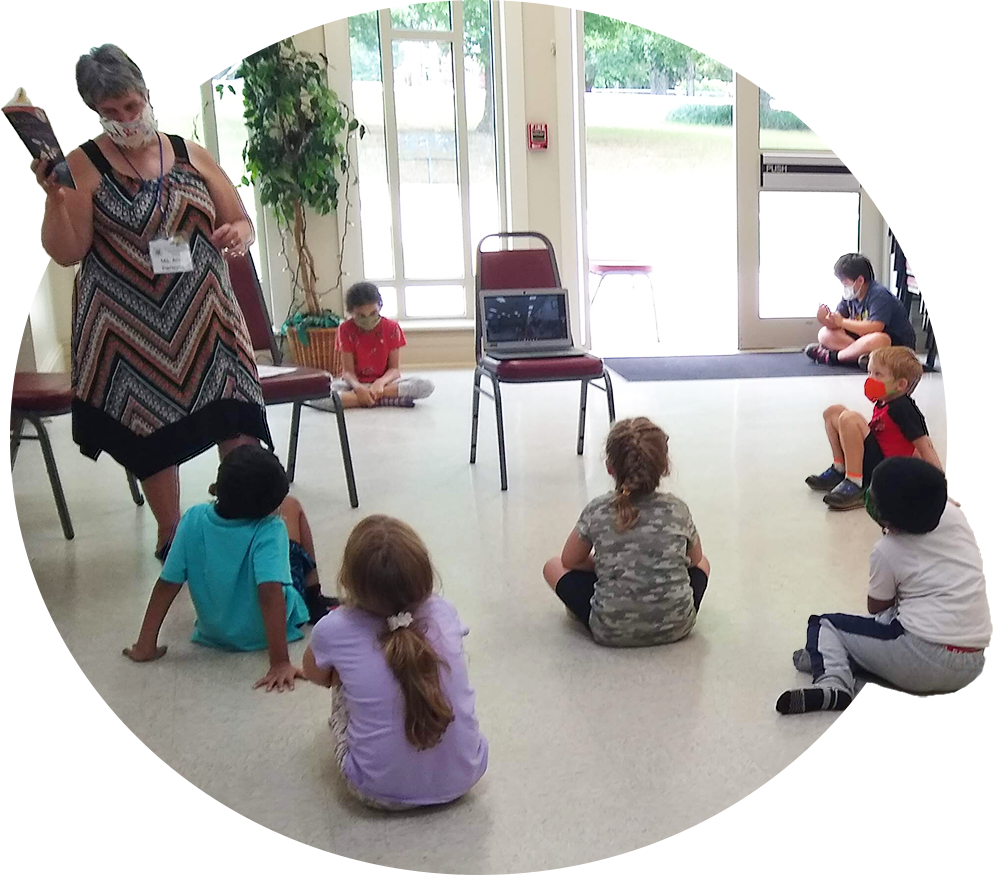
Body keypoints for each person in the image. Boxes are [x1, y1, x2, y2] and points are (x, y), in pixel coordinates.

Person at [32, 44, 270, 561]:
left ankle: (245, 516)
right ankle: (173, 536)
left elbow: (240, 220)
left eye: (131, 105)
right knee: (153, 431)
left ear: (146, 94)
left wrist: (239, 232)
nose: (125, 119)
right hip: (130, 330)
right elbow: (67, 251)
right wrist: (54, 199)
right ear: (96, 111)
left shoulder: (188, 151)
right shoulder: (83, 165)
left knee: (236, 414)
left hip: (210, 319)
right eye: (110, 112)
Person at [777, 457, 993, 716]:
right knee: (882, 626)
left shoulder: (888, 550)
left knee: (825, 625)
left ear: (887, 518)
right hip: (973, 661)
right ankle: (839, 655)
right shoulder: (954, 516)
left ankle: (834, 682)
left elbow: (876, 606)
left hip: (921, 657)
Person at [300, 515, 488, 810]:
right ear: (425, 576)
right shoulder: (443, 612)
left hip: (377, 791)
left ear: (348, 581)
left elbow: (315, 674)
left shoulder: (333, 628)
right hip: (466, 776)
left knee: (340, 682)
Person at [122, 446, 309, 693]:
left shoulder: (193, 519)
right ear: (265, 508)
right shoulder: (270, 528)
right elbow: (270, 593)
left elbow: (167, 583)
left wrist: (146, 644)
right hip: (264, 636)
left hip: (214, 634)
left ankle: (146, 645)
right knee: (294, 507)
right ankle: (314, 592)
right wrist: (280, 662)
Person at [542, 417, 711, 647]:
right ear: (664, 467)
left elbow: (569, 560)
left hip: (611, 629)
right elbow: (696, 559)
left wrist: (607, 564)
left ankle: (583, 609)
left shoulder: (598, 510)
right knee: (705, 564)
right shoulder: (678, 509)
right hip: (678, 626)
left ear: (610, 467)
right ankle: (671, 606)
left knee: (552, 566)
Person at [806, 345, 940, 510]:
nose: (870, 378)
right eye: (869, 372)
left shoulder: (904, 408)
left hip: (885, 470)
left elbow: (925, 446)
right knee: (833, 412)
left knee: (850, 418)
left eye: (878, 374)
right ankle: (840, 468)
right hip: (874, 458)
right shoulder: (884, 400)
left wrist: (939, 487)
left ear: (900, 384)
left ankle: (856, 483)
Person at [331, 282, 434, 409]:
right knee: (320, 397)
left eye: (373, 313)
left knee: (425, 385)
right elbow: (348, 372)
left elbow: (394, 369)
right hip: (355, 385)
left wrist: (379, 384)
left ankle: (366, 399)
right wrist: (358, 388)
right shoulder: (345, 329)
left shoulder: (392, 328)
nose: (368, 319)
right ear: (351, 312)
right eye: (361, 316)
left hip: (386, 384)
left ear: (380, 306)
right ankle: (385, 400)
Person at [805, 253, 916, 369]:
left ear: (860, 280)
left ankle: (833, 356)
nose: (844, 287)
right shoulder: (850, 296)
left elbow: (875, 327)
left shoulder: (879, 295)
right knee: (824, 333)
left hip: (893, 345)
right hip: (862, 340)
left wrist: (842, 322)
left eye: (845, 283)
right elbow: (836, 322)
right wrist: (824, 319)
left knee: (879, 339)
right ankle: (861, 356)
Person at [278, 495, 339, 625]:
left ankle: (313, 597)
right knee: (290, 504)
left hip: (226, 619)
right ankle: (313, 597)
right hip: (276, 614)